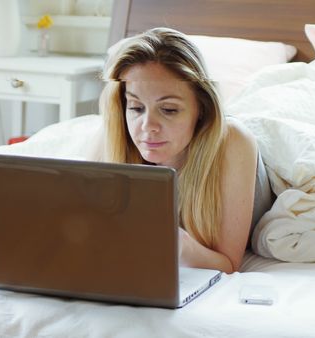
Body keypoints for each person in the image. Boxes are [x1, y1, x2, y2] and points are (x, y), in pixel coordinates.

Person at [99, 27, 273, 273]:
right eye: (136, 108)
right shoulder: (114, 133)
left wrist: (178, 244)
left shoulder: (233, 141)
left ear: (201, 108)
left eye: (169, 109)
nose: (147, 127)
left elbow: (229, 264)